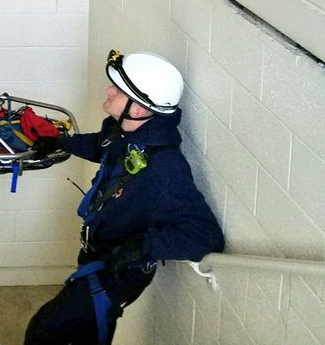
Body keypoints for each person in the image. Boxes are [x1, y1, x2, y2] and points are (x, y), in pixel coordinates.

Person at [24, 49, 224, 345]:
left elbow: (207, 236)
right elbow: (102, 146)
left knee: (44, 330)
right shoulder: (124, 132)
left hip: (118, 271)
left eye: (118, 90)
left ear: (140, 109)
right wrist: (61, 141)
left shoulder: (164, 167)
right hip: (96, 254)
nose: (108, 90)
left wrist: (141, 246)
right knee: (84, 336)